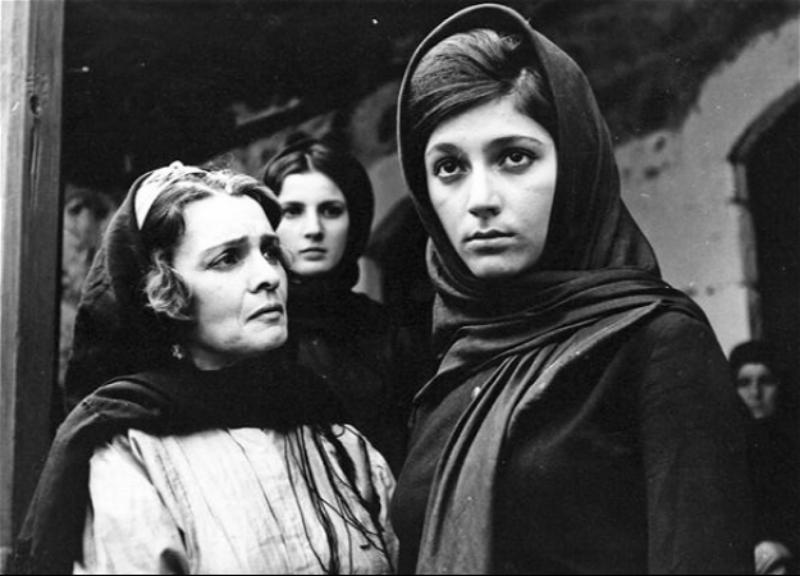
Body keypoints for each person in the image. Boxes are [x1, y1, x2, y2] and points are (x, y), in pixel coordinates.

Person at [389, 4, 753, 574]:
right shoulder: (457, 363)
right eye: (450, 168)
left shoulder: (656, 345)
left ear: (577, 162)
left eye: (514, 157)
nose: (480, 199)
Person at [14, 163, 397, 574]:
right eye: (228, 258)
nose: (268, 276)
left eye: (270, 251)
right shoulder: (133, 456)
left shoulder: (335, 436)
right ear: (167, 290)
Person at [262, 136, 422, 473]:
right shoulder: (255, 333)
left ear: (356, 222)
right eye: (292, 211)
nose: (313, 229)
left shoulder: (389, 333)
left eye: (331, 211)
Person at [730, 341, 800, 575]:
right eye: (744, 383)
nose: (755, 393)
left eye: (765, 381)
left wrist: (786, 547)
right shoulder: (721, 450)